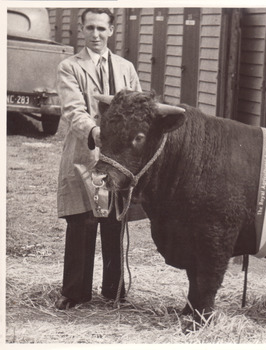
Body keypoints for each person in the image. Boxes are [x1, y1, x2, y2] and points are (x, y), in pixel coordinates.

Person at [55, 8, 141, 309]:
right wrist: (95, 131)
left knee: (115, 221)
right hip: (86, 153)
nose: (96, 34)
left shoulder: (126, 68)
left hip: (118, 160)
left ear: (112, 31)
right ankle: (75, 293)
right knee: (83, 221)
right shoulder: (69, 67)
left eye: (102, 29)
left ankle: (114, 291)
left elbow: (138, 108)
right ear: (81, 29)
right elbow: (73, 110)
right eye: (90, 28)